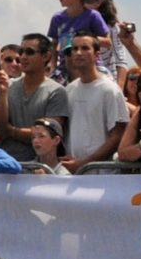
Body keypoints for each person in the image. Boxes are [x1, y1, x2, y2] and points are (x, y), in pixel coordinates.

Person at [54, 35, 129, 170]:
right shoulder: (70, 89)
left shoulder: (110, 90)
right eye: (74, 48)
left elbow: (117, 135)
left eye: (85, 48)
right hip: (75, 174)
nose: (78, 53)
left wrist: (84, 164)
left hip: (103, 175)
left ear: (97, 55)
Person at [0, 33, 63, 165]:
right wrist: (2, 94)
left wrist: (11, 131)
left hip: (39, 169)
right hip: (5, 165)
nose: (23, 57)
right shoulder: (9, 86)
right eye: (21, 52)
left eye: (29, 52)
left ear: (46, 56)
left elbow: (49, 134)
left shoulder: (56, 92)